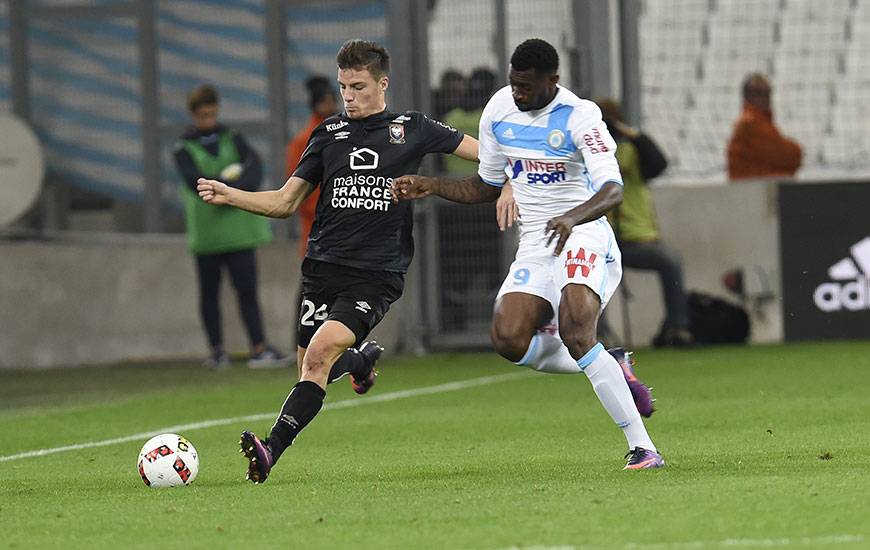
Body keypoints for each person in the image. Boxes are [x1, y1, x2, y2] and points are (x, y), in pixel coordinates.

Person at [196, 39, 478, 483]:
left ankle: (270, 449)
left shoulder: (414, 128)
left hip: (376, 274)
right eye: (343, 86)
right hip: (322, 268)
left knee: (321, 354)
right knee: (311, 367)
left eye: (359, 86)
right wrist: (230, 194)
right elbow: (285, 202)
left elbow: (486, 155)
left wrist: (516, 182)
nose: (348, 95)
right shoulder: (328, 135)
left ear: (383, 83)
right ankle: (360, 363)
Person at [392, 39, 664, 470]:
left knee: (577, 330)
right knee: (508, 338)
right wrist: (433, 185)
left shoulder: (581, 117)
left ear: (552, 81)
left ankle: (642, 447)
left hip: (585, 233)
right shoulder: (499, 110)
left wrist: (572, 218)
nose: (518, 94)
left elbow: (613, 190)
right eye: (514, 84)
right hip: (537, 242)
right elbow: (485, 184)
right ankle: (611, 364)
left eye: (527, 87)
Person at [173, 84, 289, 370]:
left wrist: (228, 191)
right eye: (202, 115)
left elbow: (254, 169)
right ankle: (216, 350)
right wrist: (229, 191)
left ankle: (259, 348)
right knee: (209, 293)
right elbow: (194, 181)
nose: (208, 120)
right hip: (208, 234)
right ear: (193, 115)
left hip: (241, 232)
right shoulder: (183, 149)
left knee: (247, 290)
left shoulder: (233, 139)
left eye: (212, 114)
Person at [595, 97, 693, 347]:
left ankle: (677, 328)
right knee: (591, 272)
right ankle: (594, 334)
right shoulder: (589, 153)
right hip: (602, 238)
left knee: (671, 260)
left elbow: (658, 163)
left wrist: (631, 134)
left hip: (636, 239)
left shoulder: (634, 150)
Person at [286, 75, 340, 365]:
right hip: (319, 231)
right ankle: (302, 346)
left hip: (341, 230)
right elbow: (299, 195)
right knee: (311, 291)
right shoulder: (303, 141)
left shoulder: (342, 133)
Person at [727, 73, 802, 181]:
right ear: (747, 96)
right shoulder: (750, 123)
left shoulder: (763, 123)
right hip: (752, 190)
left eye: (767, 93)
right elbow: (790, 154)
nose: (764, 98)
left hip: (760, 189)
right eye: (758, 92)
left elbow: (788, 157)